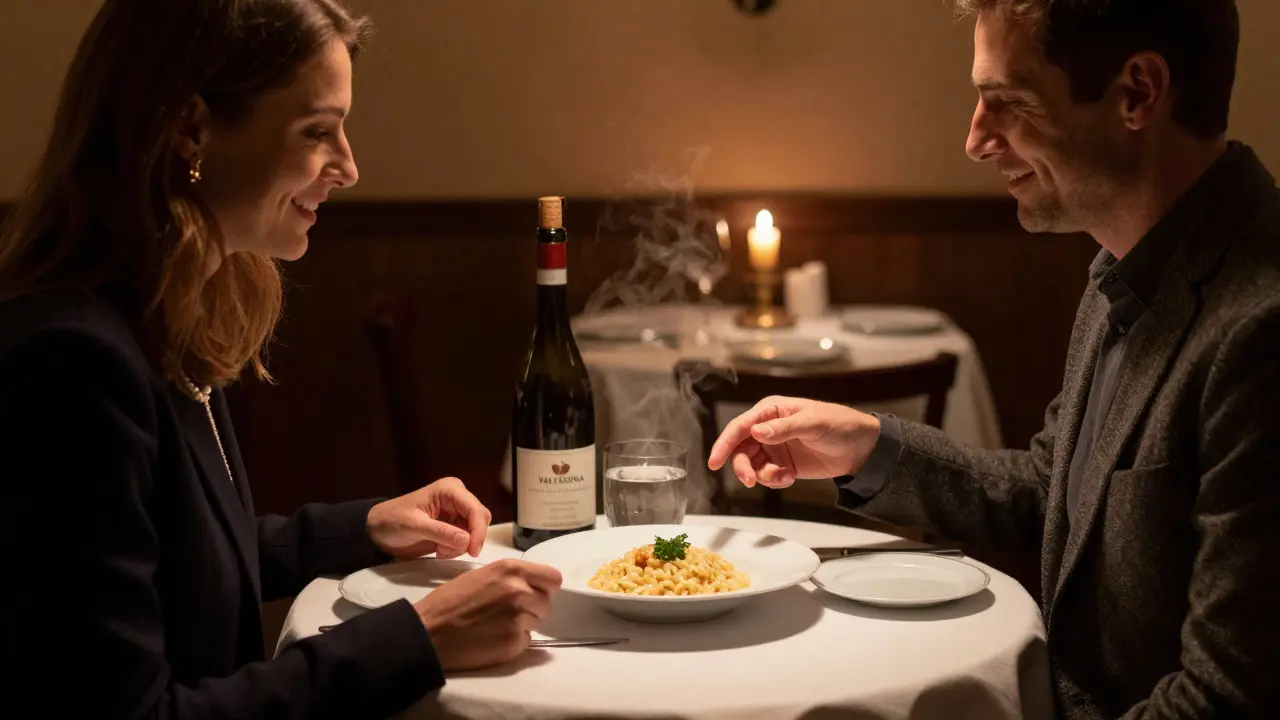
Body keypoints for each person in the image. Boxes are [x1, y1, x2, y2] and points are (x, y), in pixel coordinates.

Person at [710, 0, 1279, 718]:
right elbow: (1052, 496)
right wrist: (868, 448)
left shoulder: (1259, 326)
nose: (976, 140)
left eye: (1006, 101)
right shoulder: (1125, 268)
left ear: (1137, 93)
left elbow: (1228, 699)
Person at [0, 1, 561, 717]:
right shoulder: (72, 365)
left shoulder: (166, 316)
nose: (349, 168)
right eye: (317, 131)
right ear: (191, 128)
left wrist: (363, 527)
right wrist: (419, 639)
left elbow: (179, 558)